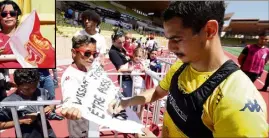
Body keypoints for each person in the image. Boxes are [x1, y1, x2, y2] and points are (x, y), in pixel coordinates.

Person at [60, 1, 268, 137]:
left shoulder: (238, 100)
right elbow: (158, 91)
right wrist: (126, 102)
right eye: (168, 39)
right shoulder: (181, 66)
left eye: (177, 39)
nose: (169, 47)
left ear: (209, 30)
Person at [60, 35, 100, 138]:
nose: (91, 57)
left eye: (94, 54)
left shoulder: (86, 69)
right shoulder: (71, 76)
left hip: (91, 120)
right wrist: (69, 108)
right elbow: (69, 97)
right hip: (79, 124)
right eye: (87, 53)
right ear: (74, 52)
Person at [0, 69, 56, 138]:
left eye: (35, 86)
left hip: (48, 134)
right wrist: (21, 121)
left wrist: (50, 107)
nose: (32, 90)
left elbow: (52, 102)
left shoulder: (42, 91)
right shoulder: (9, 102)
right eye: (27, 89)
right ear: (17, 85)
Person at [108, 30, 132, 97]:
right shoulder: (112, 52)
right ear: (113, 41)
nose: (122, 45)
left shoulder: (121, 49)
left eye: (123, 42)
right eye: (119, 43)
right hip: (125, 80)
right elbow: (120, 68)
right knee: (129, 100)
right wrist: (133, 64)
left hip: (129, 78)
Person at [0, 0, 22, 68]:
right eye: (4, 14)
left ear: (17, 16)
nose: (8, 16)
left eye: (12, 13)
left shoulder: (27, 36)